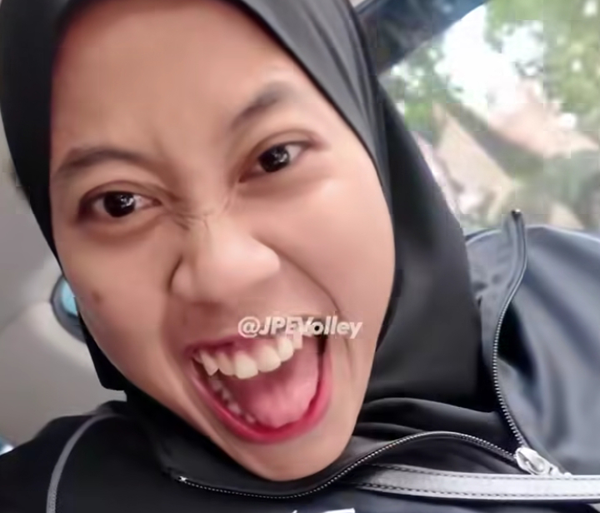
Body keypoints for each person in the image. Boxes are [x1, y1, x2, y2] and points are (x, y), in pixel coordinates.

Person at [1, 1, 600, 512]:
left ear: (369, 140)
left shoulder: (569, 283)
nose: (222, 273)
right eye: (120, 203)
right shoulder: (59, 494)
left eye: (275, 157)